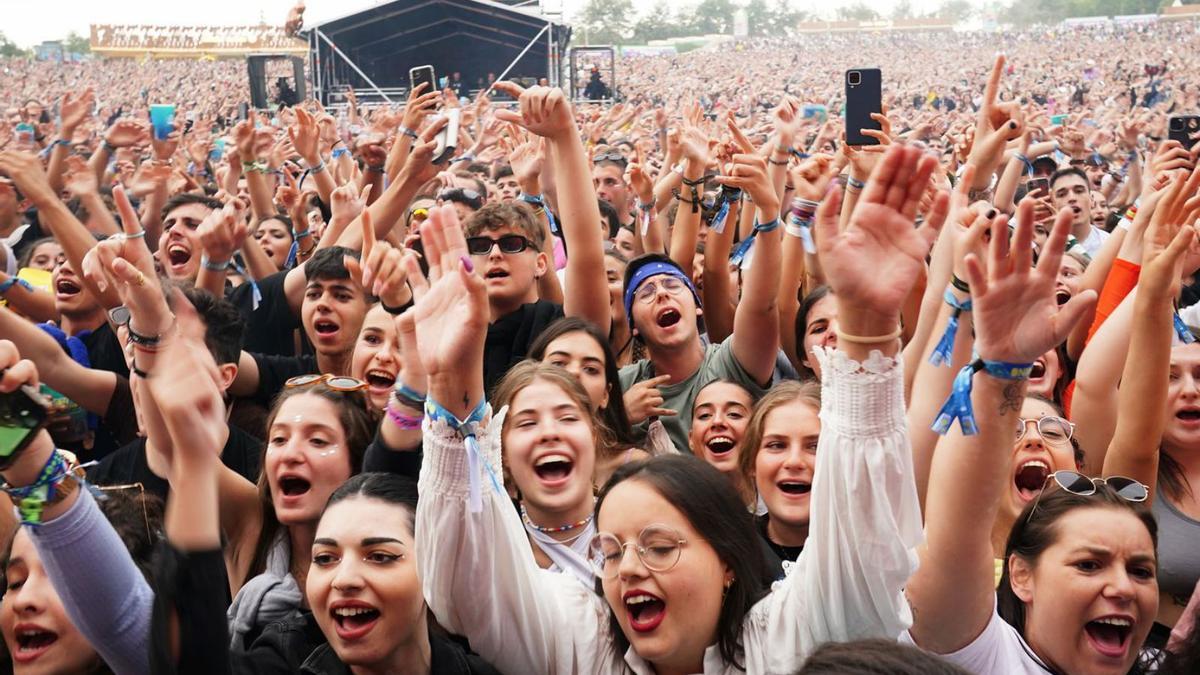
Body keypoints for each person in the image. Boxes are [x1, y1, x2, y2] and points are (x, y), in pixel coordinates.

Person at [411, 143, 940, 673]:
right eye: (612, 553)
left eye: (660, 547)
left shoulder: (787, 638)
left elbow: (861, 556)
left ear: (727, 561)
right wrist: (451, 384)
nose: (630, 571)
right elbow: (473, 591)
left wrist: (867, 332)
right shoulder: (589, 645)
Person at [528, 316, 647, 489]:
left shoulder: (636, 468)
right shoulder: (508, 461)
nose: (574, 373)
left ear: (606, 394)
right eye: (559, 364)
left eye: (591, 369)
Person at [738, 380, 822, 567]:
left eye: (815, 447)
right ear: (752, 462)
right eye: (776, 445)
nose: (794, 461)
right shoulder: (727, 555)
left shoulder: (875, 556)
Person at [687, 379, 755, 506]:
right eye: (705, 415)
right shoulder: (674, 512)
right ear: (691, 439)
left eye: (734, 414)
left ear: (758, 433)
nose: (717, 421)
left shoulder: (789, 510)